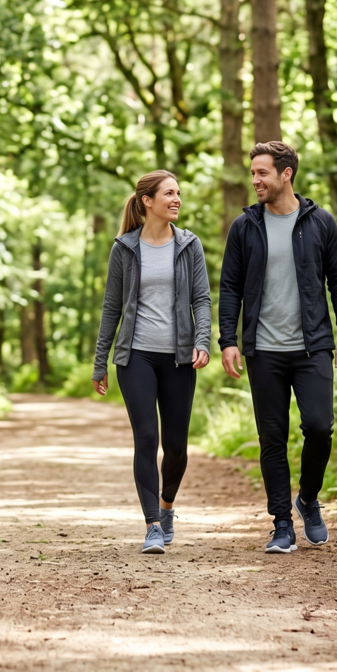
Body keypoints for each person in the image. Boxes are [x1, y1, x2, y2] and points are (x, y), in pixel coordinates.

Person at [218, 141, 337, 554]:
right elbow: (230, 288)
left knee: (319, 427)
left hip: (312, 346)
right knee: (272, 437)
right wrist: (228, 340)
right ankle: (281, 523)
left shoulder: (320, 223)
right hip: (264, 350)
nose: (255, 180)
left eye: (262, 173)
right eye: (252, 173)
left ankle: (308, 499)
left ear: (286, 174)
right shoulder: (245, 227)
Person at [92, 170, 213, 554]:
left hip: (178, 357)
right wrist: (100, 363)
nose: (177, 199)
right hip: (136, 356)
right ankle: (152, 525)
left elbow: (202, 300)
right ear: (148, 201)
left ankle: (167, 506)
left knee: (176, 447)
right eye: (169, 193)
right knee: (147, 438)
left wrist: (203, 340)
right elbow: (112, 308)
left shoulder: (189, 245)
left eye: (179, 193)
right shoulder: (124, 248)